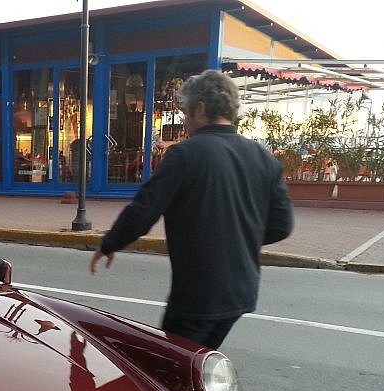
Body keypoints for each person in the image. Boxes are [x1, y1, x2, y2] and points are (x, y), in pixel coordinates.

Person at [89, 69, 294, 349]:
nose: (184, 120)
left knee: (170, 372)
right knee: (197, 364)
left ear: (200, 108)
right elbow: (281, 225)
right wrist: (239, 236)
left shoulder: (185, 155)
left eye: (185, 112)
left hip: (198, 295)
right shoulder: (262, 158)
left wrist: (110, 244)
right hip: (241, 292)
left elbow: (144, 209)